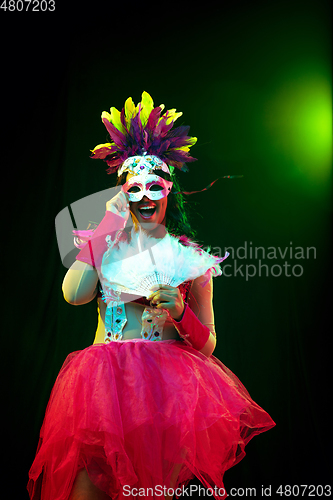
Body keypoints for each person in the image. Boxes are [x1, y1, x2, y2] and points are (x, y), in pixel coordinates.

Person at [27, 92, 275, 500]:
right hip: (102, 392)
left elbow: (209, 344)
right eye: (134, 189)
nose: (144, 197)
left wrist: (180, 312)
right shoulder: (103, 245)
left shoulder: (191, 261)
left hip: (166, 395)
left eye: (153, 187)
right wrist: (107, 224)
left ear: (168, 192)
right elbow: (73, 294)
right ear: (123, 194)